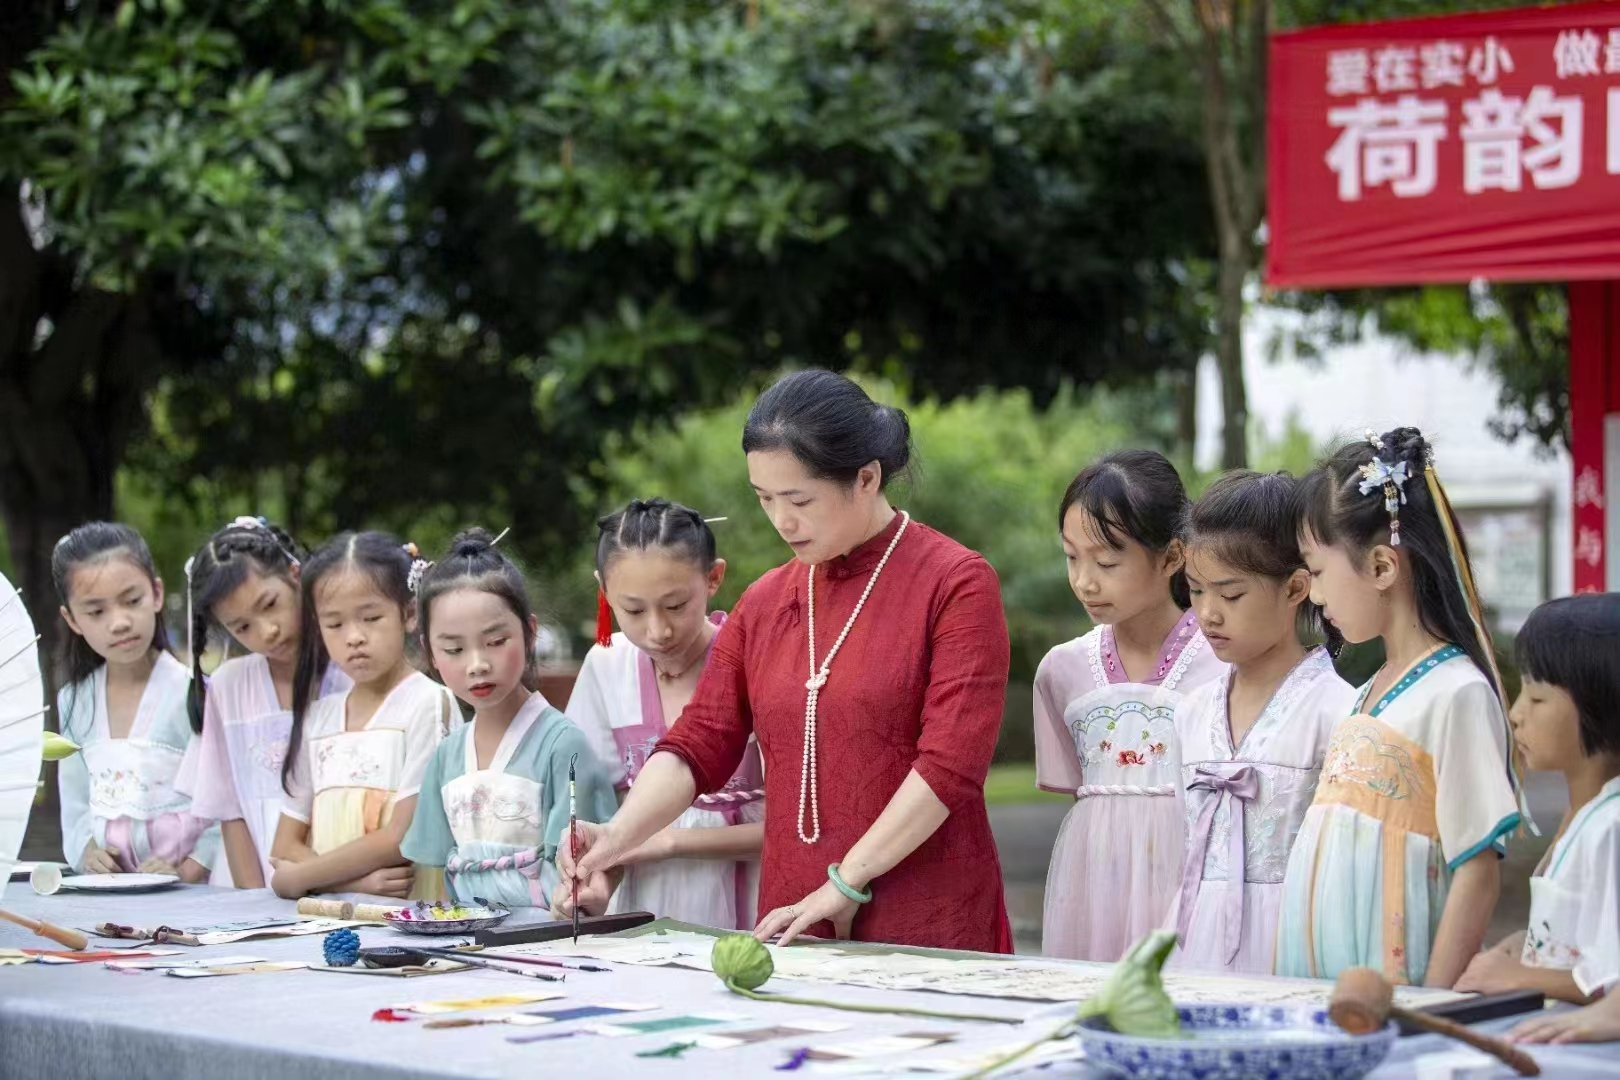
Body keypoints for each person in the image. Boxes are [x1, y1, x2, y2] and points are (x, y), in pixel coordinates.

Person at [559, 370, 1013, 950]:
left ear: (867, 478)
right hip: (795, 911)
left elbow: (950, 766)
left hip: (926, 901)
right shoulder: (767, 600)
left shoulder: (954, 583)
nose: (781, 521)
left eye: (799, 499)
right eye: (764, 498)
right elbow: (700, 742)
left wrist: (846, 884)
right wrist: (614, 837)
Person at [1274, 428, 1527, 987]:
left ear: (1384, 567)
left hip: (1398, 989)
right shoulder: (1369, 690)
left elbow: (1477, 870)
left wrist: (1428, 1005)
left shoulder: (1456, 692)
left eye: (1317, 571)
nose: (1313, 596)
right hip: (1322, 984)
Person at [1033, 450, 1225, 961]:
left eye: (1107, 561)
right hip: (1091, 882)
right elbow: (1082, 797)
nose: (1084, 581)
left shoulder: (1224, 668)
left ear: (1171, 557)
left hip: (1192, 877)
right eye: (1072, 557)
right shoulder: (1061, 672)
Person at [1166, 471, 1354, 974]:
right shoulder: (1191, 712)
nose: (1207, 614)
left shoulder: (1338, 711)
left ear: (1296, 587)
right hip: (1193, 931)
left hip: (1291, 934)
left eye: (1230, 596)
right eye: (1196, 591)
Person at [564, 499, 764, 929]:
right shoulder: (605, 666)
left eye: (675, 605)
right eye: (633, 610)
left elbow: (797, 827)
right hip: (645, 899)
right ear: (603, 592)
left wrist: (669, 841)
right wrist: (597, 879)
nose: (658, 631)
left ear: (714, 578)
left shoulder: (756, 660)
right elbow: (598, 810)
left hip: (750, 902)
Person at [401, 530, 616, 909]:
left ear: (530, 633)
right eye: (453, 648)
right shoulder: (447, 754)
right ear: (429, 652)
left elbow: (587, 868)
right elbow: (435, 878)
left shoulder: (562, 745)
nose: (477, 664)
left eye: (496, 641)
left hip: (548, 939)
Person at [268, 531, 459, 900]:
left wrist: (299, 879)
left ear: (407, 613)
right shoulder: (318, 718)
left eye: (370, 617)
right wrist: (351, 885)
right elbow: (285, 844)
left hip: (405, 915)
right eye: (335, 624)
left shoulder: (428, 703)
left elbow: (402, 836)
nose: (354, 637)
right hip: (329, 920)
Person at [1456, 594, 1620, 1005]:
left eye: (1537, 698)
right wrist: (1527, 943)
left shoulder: (1611, 825)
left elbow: (1610, 982)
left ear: (1598, 703)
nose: (1515, 713)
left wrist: (1516, 977)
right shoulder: (1587, 813)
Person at [175, 517, 350, 887]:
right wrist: (254, 905)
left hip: (348, 883)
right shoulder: (229, 687)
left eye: (269, 604)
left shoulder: (352, 674)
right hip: (252, 890)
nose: (266, 631)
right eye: (242, 627)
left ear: (295, 574)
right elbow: (230, 811)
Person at [53, 522, 217, 881]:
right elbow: (77, 806)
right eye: (96, 612)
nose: (120, 623)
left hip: (191, 892)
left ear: (156, 593)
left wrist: (190, 868)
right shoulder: (74, 701)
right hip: (108, 891)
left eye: (132, 601)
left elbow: (223, 802)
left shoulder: (195, 692)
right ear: (72, 619)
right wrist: (87, 853)